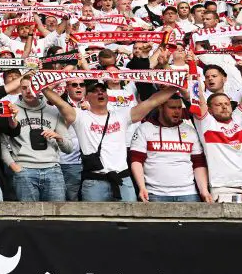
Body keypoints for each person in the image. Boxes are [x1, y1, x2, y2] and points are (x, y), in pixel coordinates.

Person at [44, 79, 181, 202]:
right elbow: (59, 102)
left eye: (103, 90)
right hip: (94, 182)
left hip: (122, 180)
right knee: (95, 225)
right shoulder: (80, 116)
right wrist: (42, 87)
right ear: (86, 97)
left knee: (128, 223)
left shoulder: (122, 116)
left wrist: (177, 86)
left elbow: (153, 101)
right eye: (95, 91)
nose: (100, 93)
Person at [193, 59, 242, 202]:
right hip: (223, 187)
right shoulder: (206, 123)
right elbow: (198, 96)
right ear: (210, 110)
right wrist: (191, 65)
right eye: (218, 105)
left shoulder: (240, 119)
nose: (224, 107)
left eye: (226, 104)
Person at [128, 93, 212, 203]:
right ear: (160, 107)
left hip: (189, 193)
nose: (177, 111)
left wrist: (204, 191)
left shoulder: (190, 130)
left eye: (179, 108)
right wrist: (141, 187)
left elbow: (198, 163)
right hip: (154, 194)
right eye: (172, 108)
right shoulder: (144, 129)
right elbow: (136, 160)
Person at [4, 75, 73, 202]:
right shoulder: (12, 110)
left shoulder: (53, 111)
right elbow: (2, 144)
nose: (28, 91)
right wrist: (14, 167)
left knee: (56, 216)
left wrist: (59, 138)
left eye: (32, 87)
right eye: (24, 88)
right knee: (28, 218)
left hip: (53, 169)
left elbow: (69, 148)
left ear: (40, 89)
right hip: (24, 169)